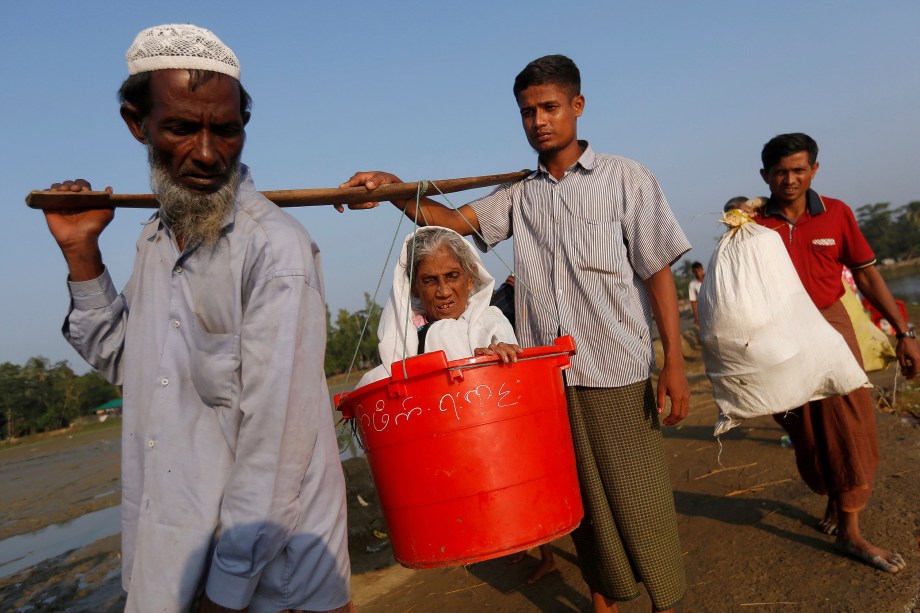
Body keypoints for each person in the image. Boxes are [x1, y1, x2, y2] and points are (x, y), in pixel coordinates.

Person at [343, 54, 690, 613]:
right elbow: (452, 225)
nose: (539, 121)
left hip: (617, 370)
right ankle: (610, 600)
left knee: (638, 496)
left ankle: (666, 601)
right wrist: (390, 186)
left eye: (550, 107)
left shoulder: (627, 178)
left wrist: (672, 359)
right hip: (544, 382)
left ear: (577, 107)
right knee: (583, 503)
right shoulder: (518, 194)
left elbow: (656, 269)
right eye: (528, 112)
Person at [39, 24, 352, 612]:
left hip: (267, 586)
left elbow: (277, 445)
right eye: (183, 128)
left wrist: (226, 590)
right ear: (139, 125)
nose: (207, 154)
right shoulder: (157, 240)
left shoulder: (274, 251)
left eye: (225, 131)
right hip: (171, 560)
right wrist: (82, 254)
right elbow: (129, 365)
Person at [753, 132, 918, 573]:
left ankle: (851, 530)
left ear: (815, 170)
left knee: (849, 422)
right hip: (780, 338)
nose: (790, 179)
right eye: (781, 171)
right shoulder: (752, 225)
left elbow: (866, 277)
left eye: (799, 169)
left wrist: (904, 332)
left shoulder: (837, 214)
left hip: (830, 328)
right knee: (805, 428)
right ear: (765, 175)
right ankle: (834, 498)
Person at [358, 226, 520, 387]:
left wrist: (500, 358)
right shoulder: (403, 342)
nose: (443, 292)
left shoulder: (493, 323)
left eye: (452, 276)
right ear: (414, 288)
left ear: (470, 278)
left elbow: (518, 383)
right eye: (429, 281)